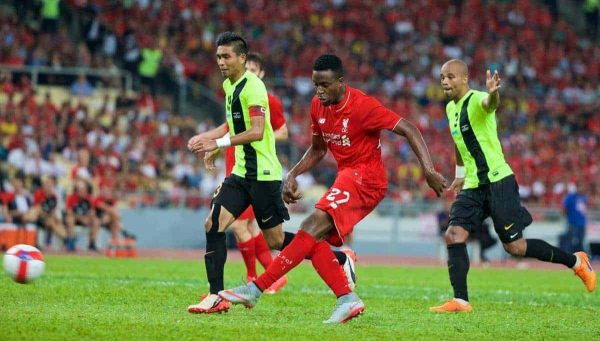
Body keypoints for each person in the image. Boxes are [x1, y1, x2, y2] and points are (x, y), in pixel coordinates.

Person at [218, 54, 448, 323]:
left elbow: (408, 128)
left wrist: (429, 170)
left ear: (341, 82)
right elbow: (318, 149)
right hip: (347, 177)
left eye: (325, 85)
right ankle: (347, 298)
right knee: (311, 237)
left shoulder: (363, 106)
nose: (320, 91)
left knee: (311, 226)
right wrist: (292, 173)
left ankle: (256, 289)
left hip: (367, 180)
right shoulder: (318, 105)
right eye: (316, 84)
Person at [186, 35, 356, 315]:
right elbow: (233, 123)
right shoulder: (230, 85)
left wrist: (217, 144)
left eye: (226, 56)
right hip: (240, 174)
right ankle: (216, 295)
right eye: (218, 57)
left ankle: (338, 257)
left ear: (242, 58)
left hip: (263, 176)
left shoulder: (254, 87)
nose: (221, 62)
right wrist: (211, 140)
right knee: (213, 224)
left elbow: (255, 131)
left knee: (275, 241)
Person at [430, 59, 596, 313]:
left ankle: (576, 262)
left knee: (515, 247)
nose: (445, 81)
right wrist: (461, 173)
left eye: (451, 76)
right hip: (474, 184)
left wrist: (494, 94)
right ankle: (461, 301)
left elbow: (489, 104)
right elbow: (458, 142)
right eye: (442, 77)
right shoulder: (450, 109)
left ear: (464, 79)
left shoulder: (477, 99)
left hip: (499, 181)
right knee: (453, 234)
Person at [203, 52, 290, 292]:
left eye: (254, 69)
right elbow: (230, 126)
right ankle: (221, 291)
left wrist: (261, 132)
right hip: (237, 166)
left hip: (259, 171)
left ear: (261, 74)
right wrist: (215, 145)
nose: (249, 71)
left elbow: (280, 131)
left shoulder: (267, 98)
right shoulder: (233, 90)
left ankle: (260, 275)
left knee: (264, 234)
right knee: (235, 226)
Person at [65, 179, 100, 251]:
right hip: (75, 219)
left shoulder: (89, 198)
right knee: (69, 219)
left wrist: (88, 218)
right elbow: (69, 212)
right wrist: (81, 218)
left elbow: (92, 212)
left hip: (86, 219)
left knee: (96, 221)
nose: (80, 191)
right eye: (79, 189)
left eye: (82, 189)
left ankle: (92, 243)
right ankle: (71, 241)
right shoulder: (71, 198)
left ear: (86, 190)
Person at [562, 181, 588, 253]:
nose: (581, 188)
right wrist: (568, 218)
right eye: (580, 186)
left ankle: (580, 259)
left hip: (582, 223)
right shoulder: (570, 197)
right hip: (573, 223)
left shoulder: (584, 197)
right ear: (576, 187)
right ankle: (567, 257)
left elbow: (584, 211)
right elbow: (565, 209)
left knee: (580, 241)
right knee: (570, 241)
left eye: (582, 186)